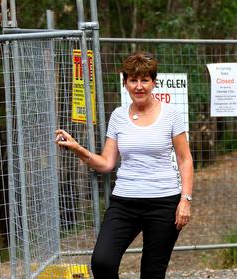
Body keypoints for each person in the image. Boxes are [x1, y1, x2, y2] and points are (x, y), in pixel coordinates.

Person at [54, 51, 194, 279]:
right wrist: (77, 148)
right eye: (133, 80)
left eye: (145, 80)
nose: (139, 86)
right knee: (102, 262)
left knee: (152, 272)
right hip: (125, 203)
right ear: (125, 83)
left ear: (153, 83)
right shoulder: (118, 116)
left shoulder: (171, 114)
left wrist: (185, 201)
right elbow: (107, 163)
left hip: (164, 203)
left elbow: (185, 159)